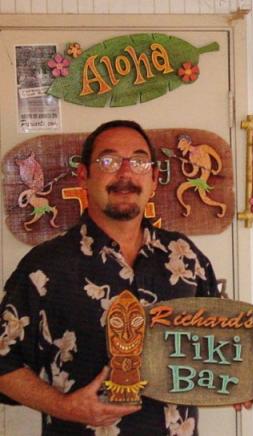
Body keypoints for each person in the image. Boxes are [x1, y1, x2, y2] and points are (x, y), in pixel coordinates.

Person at [0, 120, 223, 435]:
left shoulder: (186, 257)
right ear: (84, 176)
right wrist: (61, 406)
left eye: (139, 162)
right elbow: (3, 363)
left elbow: (222, 343)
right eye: (109, 161)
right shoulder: (45, 266)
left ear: (154, 179)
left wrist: (242, 379)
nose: (125, 173)